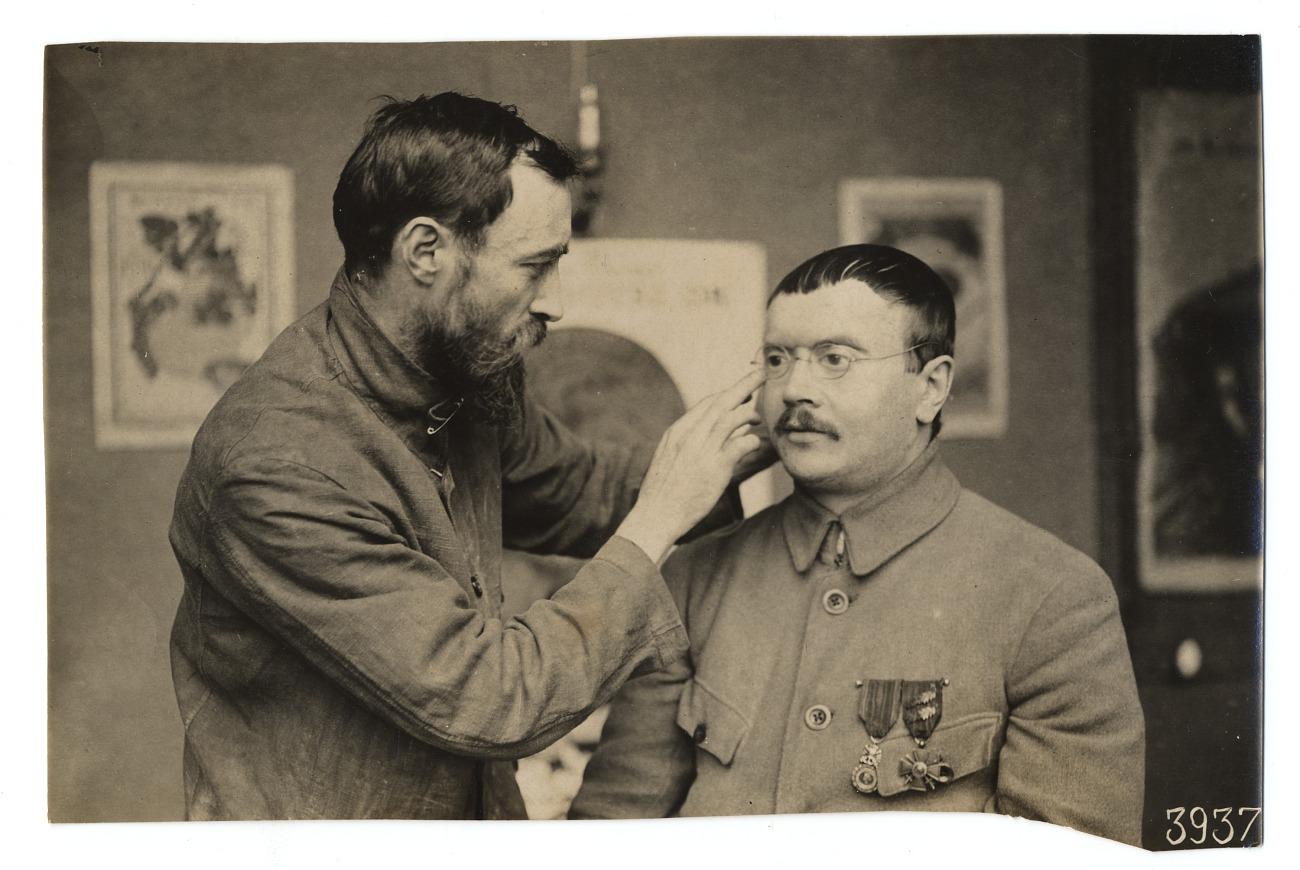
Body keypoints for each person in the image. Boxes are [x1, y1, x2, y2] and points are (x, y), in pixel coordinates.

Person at [167, 92, 767, 820]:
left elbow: (580, 489)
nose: (555, 303)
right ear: (425, 251)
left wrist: (766, 425)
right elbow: (488, 697)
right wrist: (662, 518)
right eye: (533, 266)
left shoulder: (466, 367)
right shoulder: (275, 463)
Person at [570, 244, 1146, 846]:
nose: (794, 389)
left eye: (835, 359)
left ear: (931, 388)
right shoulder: (694, 578)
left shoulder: (1052, 596)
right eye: (776, 359)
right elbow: (606, 838)